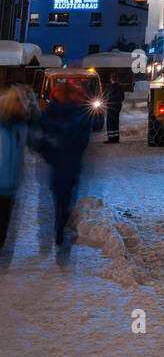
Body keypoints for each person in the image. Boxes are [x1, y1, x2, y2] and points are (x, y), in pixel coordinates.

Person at [34, 79, 93, 246]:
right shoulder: (78, 113)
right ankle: (61, 225)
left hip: (58, 162)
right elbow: (83, 141)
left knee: (58, 196)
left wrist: (48, 153)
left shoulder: (52, 113)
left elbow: (40, 138)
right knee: (66, 198)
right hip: (71, 162)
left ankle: (59, 226)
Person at [0, 84, 33, 251]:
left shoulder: (22, 125)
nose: (17, 104)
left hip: (10, 186)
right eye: (14, 101)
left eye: (19, 102)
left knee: (3, 230)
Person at [103, 78, 125, 144]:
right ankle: (116, 139)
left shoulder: (111, 87)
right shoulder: (120, 87)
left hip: (111, 107)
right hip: (117, 107)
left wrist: (106, 102)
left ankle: (111, 139)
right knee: (115, 123)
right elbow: (122, 97)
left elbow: (106, 96)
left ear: (111, 79)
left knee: (110, 123)